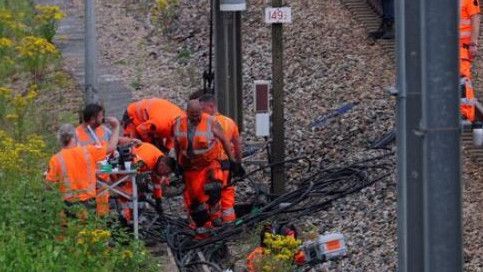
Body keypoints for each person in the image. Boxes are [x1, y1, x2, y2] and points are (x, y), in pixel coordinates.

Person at [172, 100, 243, 235]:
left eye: (198, 114)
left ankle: (216, 218)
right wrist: (178, 163)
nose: (196, 118)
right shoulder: (178, 124)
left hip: (210, 164)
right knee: (196, 202)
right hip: (191, 168)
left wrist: (234, 161)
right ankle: (204, 226)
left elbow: (225, 141)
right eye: (192, 115)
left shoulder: (210, 122)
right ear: (187, 113)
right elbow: (177, 145)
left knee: (214, 189)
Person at [45, 117, 120, 218]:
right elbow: (111, 147)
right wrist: (116, 127)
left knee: (73, 231)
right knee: (89, 231)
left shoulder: (55, 159)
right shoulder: (88, 151)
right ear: (75, 136)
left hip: (69, 204)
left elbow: (49, 186)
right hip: (89, 202)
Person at [199, 94, 242, 223]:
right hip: (228, 166)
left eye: (202, 108)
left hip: (212, 167)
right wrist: (238, 163)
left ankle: (213, 227)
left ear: (211, 106)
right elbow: (237, 144)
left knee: (211, 197)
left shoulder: (205, 123)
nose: (201, 111)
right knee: (227, 196)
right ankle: (229, 226)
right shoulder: (230, 122)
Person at [116, 142, 175, 223]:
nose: (166, 175)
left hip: (128, 168)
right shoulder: (147, 159)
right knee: (129, 193)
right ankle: (124, 218)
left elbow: (157, 184)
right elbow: (132, 169)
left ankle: (131, 219)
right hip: (117, 167)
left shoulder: (160, 159)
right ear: (162, 166)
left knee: (140, 192)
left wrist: (158, 201)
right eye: (166, 172)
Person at [76, 104, 112, 216]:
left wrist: (128, 140)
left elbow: (115, 142)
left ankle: (103, 223)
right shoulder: (76, 134)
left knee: (103, 207)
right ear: (92, 119)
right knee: (84, 210)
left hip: (104, 175)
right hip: (85, 179)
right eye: (101, 116)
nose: (103, 118)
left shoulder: (104, 130)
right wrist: (116, 128)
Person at [460, 0, 480, 79]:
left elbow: (475, 18)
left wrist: (473, 43)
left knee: (463, 78)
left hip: (462, 48)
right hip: (445, 48)